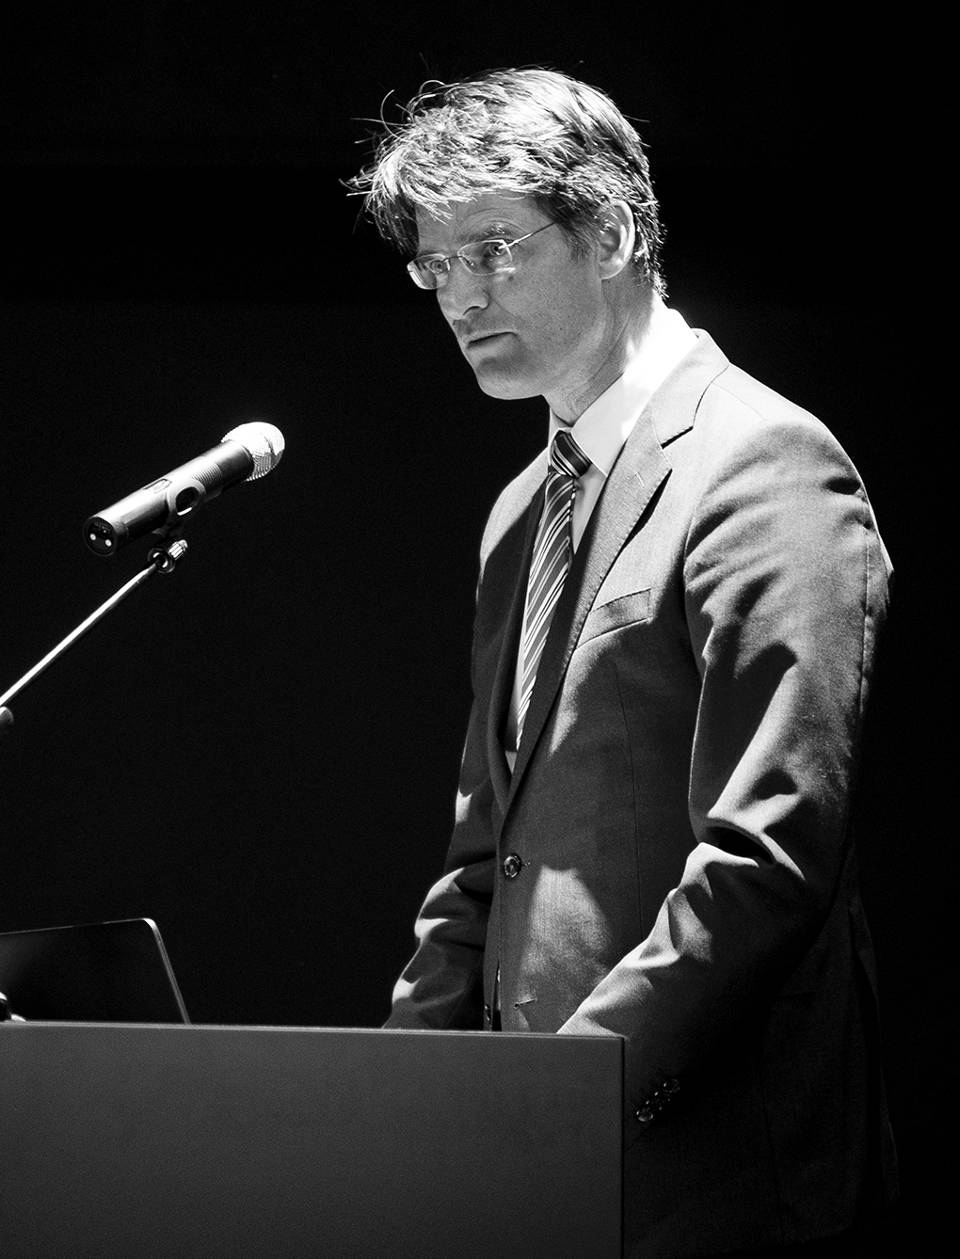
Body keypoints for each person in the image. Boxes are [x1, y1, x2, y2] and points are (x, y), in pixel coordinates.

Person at [348, 68, 897, 1257]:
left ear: (609, 231)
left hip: (715, 1181)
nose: (460, 295)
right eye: (435, 265)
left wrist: (574, 1096)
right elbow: (486, 858)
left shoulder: (763, 462)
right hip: (538, 1177)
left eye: (492, 249)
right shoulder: (520, 513)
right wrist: (385, 1112)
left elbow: (768, 854)